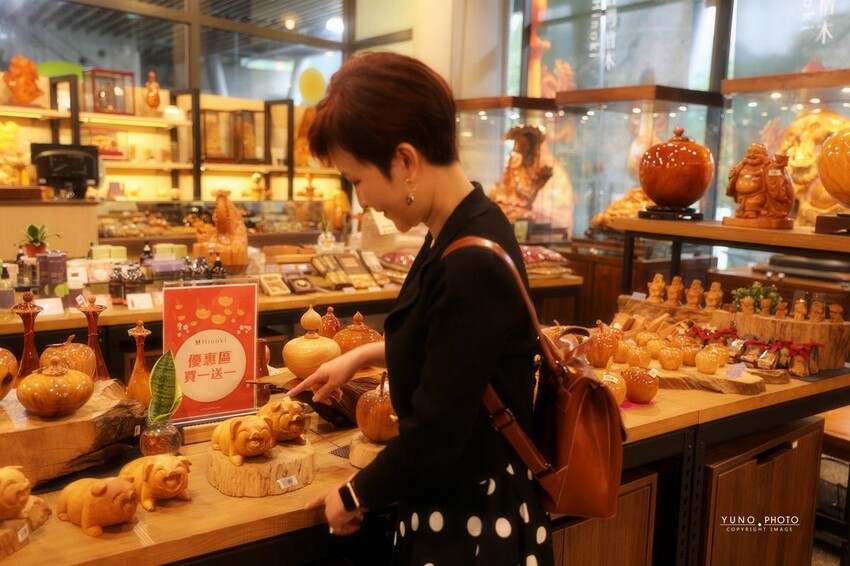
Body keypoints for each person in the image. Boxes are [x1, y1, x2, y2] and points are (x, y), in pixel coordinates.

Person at [287, 52, 553, 565]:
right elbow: (456, 353)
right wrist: (360, 358)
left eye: (358, 178)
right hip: (454, 502)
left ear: (406, 161)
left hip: (472, 522)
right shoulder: (455, 229)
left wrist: (353, 495)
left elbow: (436, 434)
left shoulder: (470, 258)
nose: (362, 200)